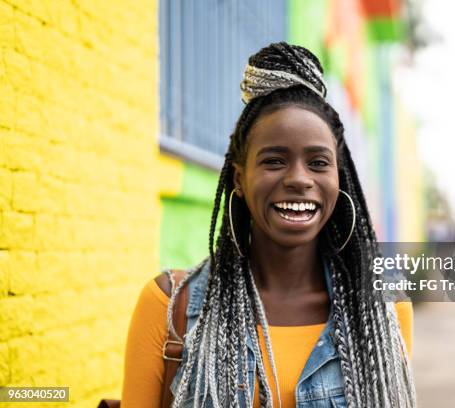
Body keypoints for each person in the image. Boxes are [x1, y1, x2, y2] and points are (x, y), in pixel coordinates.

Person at [121, 42, 417, 408]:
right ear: (240, 180)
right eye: (274, 161)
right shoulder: (169, 308)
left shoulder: (383, 309)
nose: (299, 179)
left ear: (340, 178)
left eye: (318, 162)